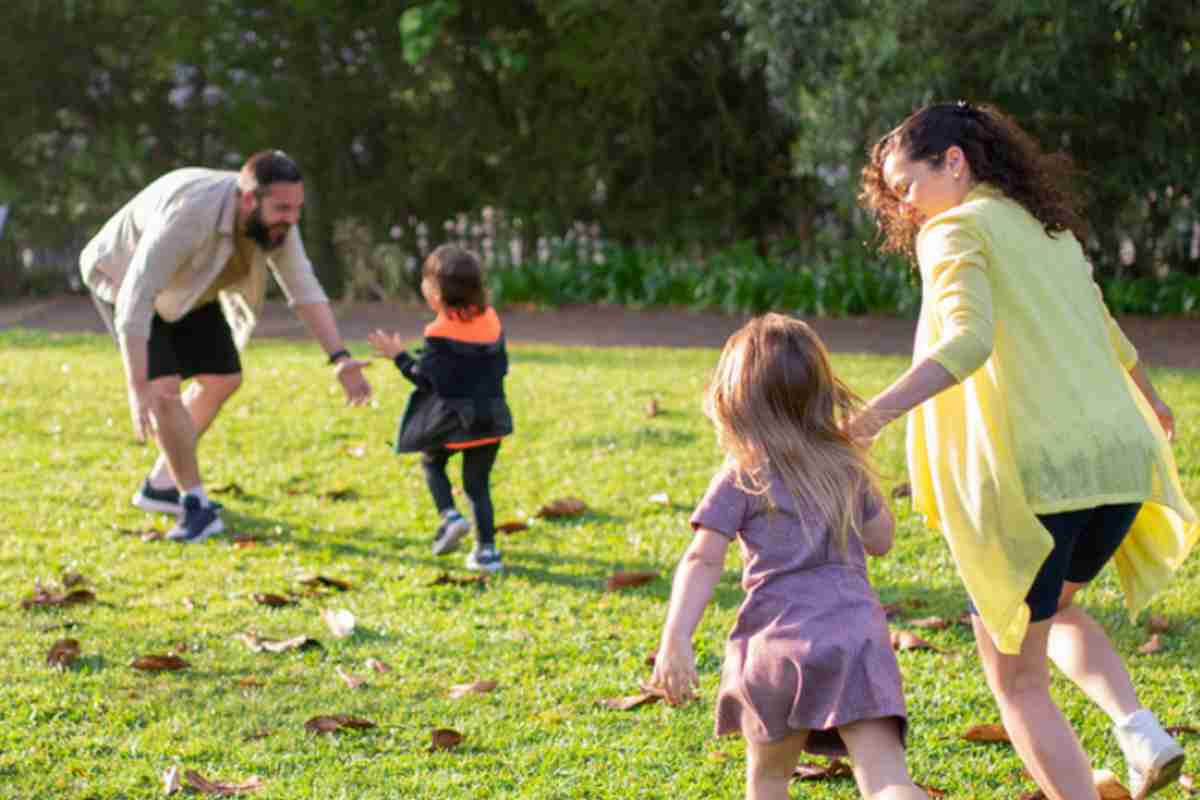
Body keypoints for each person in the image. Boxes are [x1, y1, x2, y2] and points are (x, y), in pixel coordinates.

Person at [855, 101, 1197, 800]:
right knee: (1055, 611)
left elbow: (968, 340)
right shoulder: (1052, 233)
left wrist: (873, 415)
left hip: (1037, 482)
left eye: (909, 184)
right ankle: (1138, 730)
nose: (907, 205)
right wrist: (1154, 401)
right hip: (1117, 468)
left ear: (954, 161)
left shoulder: (953, 230)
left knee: (1016, 683)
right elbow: (1107, 330)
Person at [649, 314, 930, 800]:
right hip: (855, 641)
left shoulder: (743, 473)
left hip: (774, 646)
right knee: (886, 779)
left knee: (770, 780)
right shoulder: (843, 464)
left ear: (736, 403)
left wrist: (676, 638)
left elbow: (702, 559)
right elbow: (881, 540)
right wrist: (861, 469)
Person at [80, 151, 372, 542]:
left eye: (298, 208)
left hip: (191, 289)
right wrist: (137, 386)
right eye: (283, 208)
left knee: (223, 378)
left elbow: (302, 287)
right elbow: (137, 294)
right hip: (123, 279)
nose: (292, 218)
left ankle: (161, 485)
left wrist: (340, 357)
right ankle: (195, 505)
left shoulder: (276, 223)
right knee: (164, 391)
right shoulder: (191, 213)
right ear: (249, 199)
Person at [368, 245, 513, 573]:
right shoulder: (491, 320)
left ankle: (450, 516)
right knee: (478, 487)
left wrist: (399, 356)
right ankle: (487, 552)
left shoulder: (439, 332)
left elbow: (425, 379)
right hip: (492, 417)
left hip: (455, 421)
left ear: (435, 294)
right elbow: (501, 367)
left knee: (432, 462)